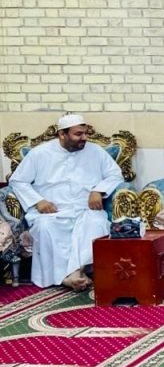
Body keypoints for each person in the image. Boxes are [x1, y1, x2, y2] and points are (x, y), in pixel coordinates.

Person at [9, 113, 123, 291]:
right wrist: (38, 201)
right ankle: (73, 275)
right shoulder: (40, 153)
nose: (84, 138)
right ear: (62, 134)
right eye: (78, 134)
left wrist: (98, 190)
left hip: (85, 209)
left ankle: (74, 273)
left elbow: (115, 174)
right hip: (52, 211)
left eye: (85, 133)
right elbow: (18, 181)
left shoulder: (95, 151)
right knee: (45, 228)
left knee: (97, 223)